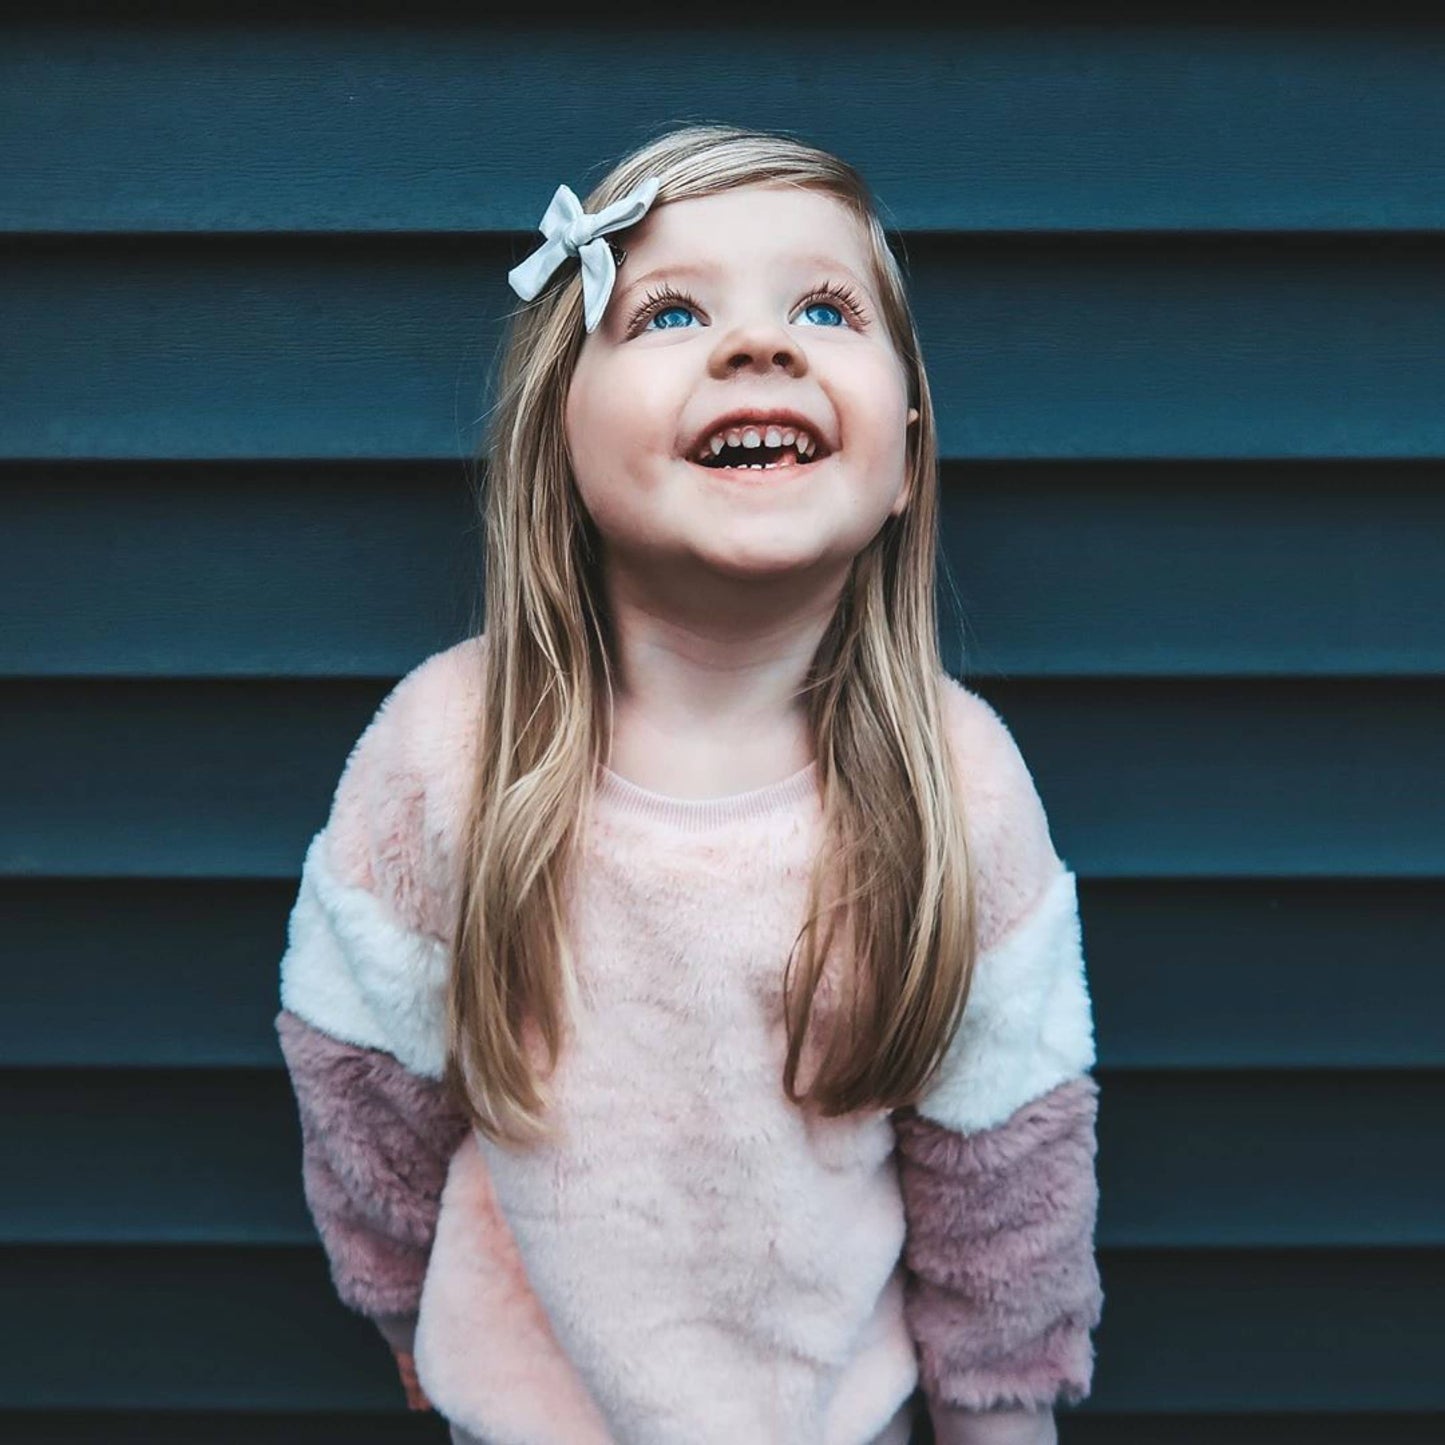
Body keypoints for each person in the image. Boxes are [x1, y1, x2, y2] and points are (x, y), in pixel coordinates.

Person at [274, 122, 1103, 1445]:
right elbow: (360, 1080)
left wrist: (1002, 1412)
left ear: (904, 440)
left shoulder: (959, 786)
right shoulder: (446, 752)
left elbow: (1007, 1169)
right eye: (669, 310)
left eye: (822, 307)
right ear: (559, 428)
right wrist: (394, 1306)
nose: (758, 344)